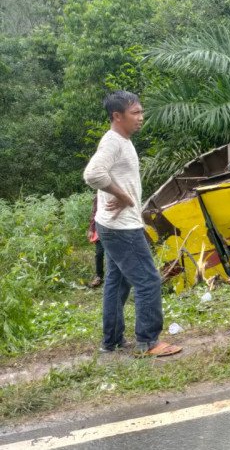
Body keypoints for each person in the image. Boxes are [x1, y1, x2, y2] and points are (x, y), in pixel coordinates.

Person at [83, 90, 181, 357]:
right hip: (121, 228)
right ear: (117, 116)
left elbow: (105, 175)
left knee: (117, 283)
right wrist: (122, 195)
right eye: (135, 113)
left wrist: (119, 194)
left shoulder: (121, 140)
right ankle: (148, 342)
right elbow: (92, 174)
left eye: (141, 111)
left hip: (112, 225)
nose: (141, 117)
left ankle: (111, 341)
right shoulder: (113, 142)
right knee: (148, 280)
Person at [87, 196, 105, 288]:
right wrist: (91, 229)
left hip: (116, 229)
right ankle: (99, 276)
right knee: (99, 253)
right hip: (101, 229)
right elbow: (94, 213)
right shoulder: (99, 197)